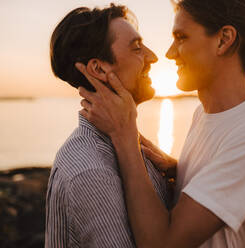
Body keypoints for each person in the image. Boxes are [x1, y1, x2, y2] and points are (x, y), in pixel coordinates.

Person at [77, 0, 245, 247]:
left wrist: (125, 137)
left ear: (224, 39)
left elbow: (163, 243)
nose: (169, 53)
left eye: (181, 38)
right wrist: (182, 172)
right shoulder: (204, 114)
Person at [45, 4, 170, 247]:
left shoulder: (129, 145)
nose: (152, 56)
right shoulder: (92, 173)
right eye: (136, 48)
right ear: (99, 69)